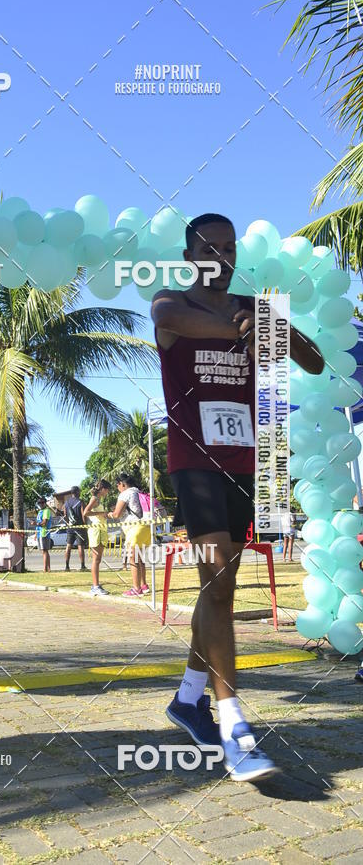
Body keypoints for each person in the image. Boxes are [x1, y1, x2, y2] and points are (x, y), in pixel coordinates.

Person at [151, 213, 324, 781]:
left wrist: (273, 326)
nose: (220, 260)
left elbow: (313, 360)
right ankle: (234, 727)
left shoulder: (257, 306)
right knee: (219, 584)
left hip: (246, 463)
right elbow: (189, 325)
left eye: (228, 250)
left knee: (217, 591)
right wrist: (253, 323)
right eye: (208, 250)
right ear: (187, 255)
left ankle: (187, 697)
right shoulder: (168, 303)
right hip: (194, 463)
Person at [109, 474, 151, 597]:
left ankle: (136, 589)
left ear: (122, 484)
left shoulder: (125, 494)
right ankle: (144, 585)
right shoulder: (139, 492)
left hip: (135, 529)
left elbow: (117, 514)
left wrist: (109, 514)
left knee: (132, 559)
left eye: (117, 485)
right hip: (146, 528)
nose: (117, 487)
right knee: (139, 559)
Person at [82, 479, 112, 596]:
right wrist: (100, 514)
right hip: (96, 530)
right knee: (96, 559)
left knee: (98, 559)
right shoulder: (94, 499)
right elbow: (86, 512)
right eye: (107, 490)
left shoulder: (99, 499)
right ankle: (95, 586)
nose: (107, 493)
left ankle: (96, 585)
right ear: (103, 489)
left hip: (101, 530)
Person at [62, 487, 88, 571]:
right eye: (79, 491)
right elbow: (83, 515)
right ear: (77, 492)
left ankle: (67, 566)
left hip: (70, 527)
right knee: (80, 546)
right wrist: (85, 525)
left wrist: (68, 523)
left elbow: (65, 516)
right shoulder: (80, 502)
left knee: (68, 546)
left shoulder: (66, 502)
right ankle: (82, 566)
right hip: (80, 527)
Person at [35, 497, 52, 572]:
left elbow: (44, 522)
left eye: (42, 503)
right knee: (43, 551)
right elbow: (38, 523)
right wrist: (36, 534)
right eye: (39, 503)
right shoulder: (40, 512)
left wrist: (35, 523)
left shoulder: (46, 511)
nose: (40, 504)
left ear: (45, 503)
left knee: (45, 551)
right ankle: (48, 568)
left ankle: (45, 569)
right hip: (39, 533)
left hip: (44, 533)